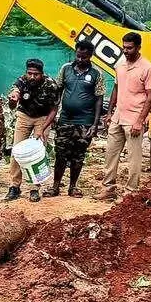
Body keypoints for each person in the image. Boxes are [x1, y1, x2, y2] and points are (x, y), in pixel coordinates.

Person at [95, 32, 151, 200]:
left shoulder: (148, 68)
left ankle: (131, 192)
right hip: (118, 116)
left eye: (129, 48)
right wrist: (109, 112)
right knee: (110, 154)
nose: (125, 51)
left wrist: (140, 121)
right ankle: (108, 189)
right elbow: (116, 88)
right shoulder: (120, 65)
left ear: (138, 47)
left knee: (133, 157)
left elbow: (150, 97)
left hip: (134, 119)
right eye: (124, 47)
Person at [40, 40, 104, 198]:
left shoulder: (97, 74)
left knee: (78, 155)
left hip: (85, 122)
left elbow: (99, 99)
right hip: (65, 120)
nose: (80, 59)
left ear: (90, 56)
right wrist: (53, 114)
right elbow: (58, 91)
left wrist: (95, 124)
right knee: (60, 154)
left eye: (84, 57)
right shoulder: (66, 69)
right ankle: (55, 187)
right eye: (78, 56)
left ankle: (73, 187)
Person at [5, 59, 59, 202]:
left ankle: (34, 188)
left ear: (42, 73)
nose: (32, 77)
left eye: (36, 74)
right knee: (16, 151)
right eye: (30, 73)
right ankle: (14, 186)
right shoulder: (21, 81)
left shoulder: (51, 85)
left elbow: (54, 109)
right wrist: (13, 99)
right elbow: (13, 102)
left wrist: (42, 128)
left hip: (43, 118)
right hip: (24, 116)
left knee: (37, 153)